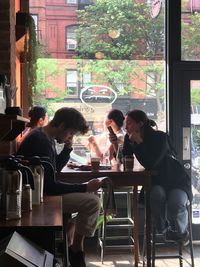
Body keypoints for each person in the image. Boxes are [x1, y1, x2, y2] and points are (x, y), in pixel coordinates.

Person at [17, 107, 103, 267]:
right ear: (62, 126)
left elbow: (53, 169)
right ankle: (76, 249)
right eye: (71, 133)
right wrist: (84, 187)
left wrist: (68, 149)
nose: (71, 137)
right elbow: (50, 187)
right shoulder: (41, 141)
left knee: (93, 199)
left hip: (40, 193)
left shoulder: (44, 137)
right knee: (92, 202)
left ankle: (71, 242)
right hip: (39, 198)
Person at [122, 109, 192, 243]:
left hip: (175, 179)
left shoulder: (160, 137)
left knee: (175, 203)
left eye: (129, 123)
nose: (126, 127)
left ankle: (182, 233)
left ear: (140, 123)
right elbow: (125, 158)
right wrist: (117, 145)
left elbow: (152, 163)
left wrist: (139, 143)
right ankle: (163, 229)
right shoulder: (129, 138)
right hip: (156, 180)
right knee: (156, 195)